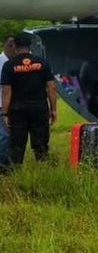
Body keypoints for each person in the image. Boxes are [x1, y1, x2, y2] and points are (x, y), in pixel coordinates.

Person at [0, 33, 57, 165]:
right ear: (30, 46)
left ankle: (14, 171)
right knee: (41, 143)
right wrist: (53, 109)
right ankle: (43, 168)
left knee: (17, 145)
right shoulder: (42, 63)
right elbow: (51, 88)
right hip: (39, 108)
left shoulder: (9, 66)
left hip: (17, 110)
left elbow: (6, 92)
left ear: (15, 47)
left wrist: (5, 113)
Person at [0, 36, 15, 168]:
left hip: (10, 104)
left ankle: (8, 162)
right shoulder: (1, 63)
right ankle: (3, 164)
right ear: (9, 46)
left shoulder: (12, 63)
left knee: (10, 135)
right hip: (1, 105)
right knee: (4, 136)